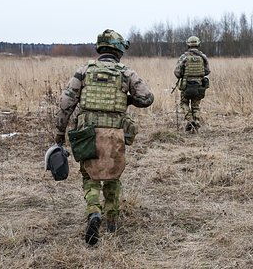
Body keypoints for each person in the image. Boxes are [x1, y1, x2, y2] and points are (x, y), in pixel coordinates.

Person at [54, 29, 154, 245]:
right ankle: (111, 220)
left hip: (86, 134)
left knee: (89, 176)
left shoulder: (84, 71)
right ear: (118, 50)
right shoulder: (126, 73)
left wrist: (59, 135)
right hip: (115, 134)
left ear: (101, 48)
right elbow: (147, 98)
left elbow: (65, 104)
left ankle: (93, 212)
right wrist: (126, 100)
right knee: (113, 175)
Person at [174, 36, 210, 133]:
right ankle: (196, 122)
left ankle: (190, 121)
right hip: (199, 86)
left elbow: (177, 73)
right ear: (198, 44)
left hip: (186, 86)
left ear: (188, 44)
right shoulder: (203, 57)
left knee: (183, 103)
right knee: (196, 106)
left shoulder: (184, 57)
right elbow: (207, 71)